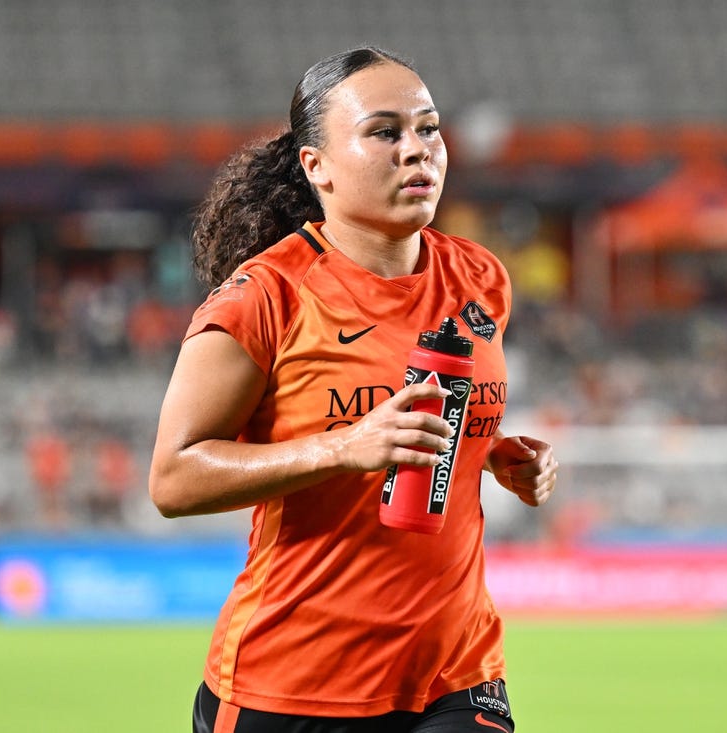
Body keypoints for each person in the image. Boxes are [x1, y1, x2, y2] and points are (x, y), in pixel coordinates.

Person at [149, 47, 557, 733]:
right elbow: (173, 476)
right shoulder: (263, 297)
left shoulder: (480, 277)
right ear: (318, 167)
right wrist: (344, 448)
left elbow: (431, 412)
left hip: (457, 671)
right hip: (295, 683)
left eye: (428, 129)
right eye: (385, 132)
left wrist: (489, 451)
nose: (417, 150)